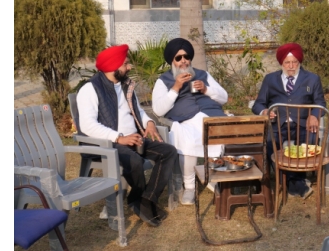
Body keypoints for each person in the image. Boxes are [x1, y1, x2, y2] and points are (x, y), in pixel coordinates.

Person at [77, 44, 179, 227]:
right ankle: (137, 199)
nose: (129, 67)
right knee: (134, 161)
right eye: (125, 64)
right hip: (107, 143)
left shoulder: (126, 85)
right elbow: (87, 125)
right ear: (112, 67)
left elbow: (138, 110)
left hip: (133, 138)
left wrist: (149, 122)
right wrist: (118, 138)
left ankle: (146, 199)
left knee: (168, 152)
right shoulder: (90, 89)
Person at [152, 38, 229, 205]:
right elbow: (158, 109)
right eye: (178, 58)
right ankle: (189, 187)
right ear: (172, 61)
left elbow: (224, 97)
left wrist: (206, 89)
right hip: (186, 119)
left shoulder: (203, 75)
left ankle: (213, 177)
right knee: (187, 138)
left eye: (186, 57)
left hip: (211, 116)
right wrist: (176, 87)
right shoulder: (163, 80)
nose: (183, 61)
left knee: (223, 133)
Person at [252, 43, 326, 199]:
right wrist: (264, 111)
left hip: (304, 124)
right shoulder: (270, 79)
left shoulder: (312, 79)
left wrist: (314, 115)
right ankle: (296, 183)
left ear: (299, 62)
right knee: (269, 144)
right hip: (278, 124)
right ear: (281, 63)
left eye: (294, 62)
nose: (291, 66)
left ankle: (292, 180)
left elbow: (320, 102)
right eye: (287, 63)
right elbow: (258, 104)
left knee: (311, 141)